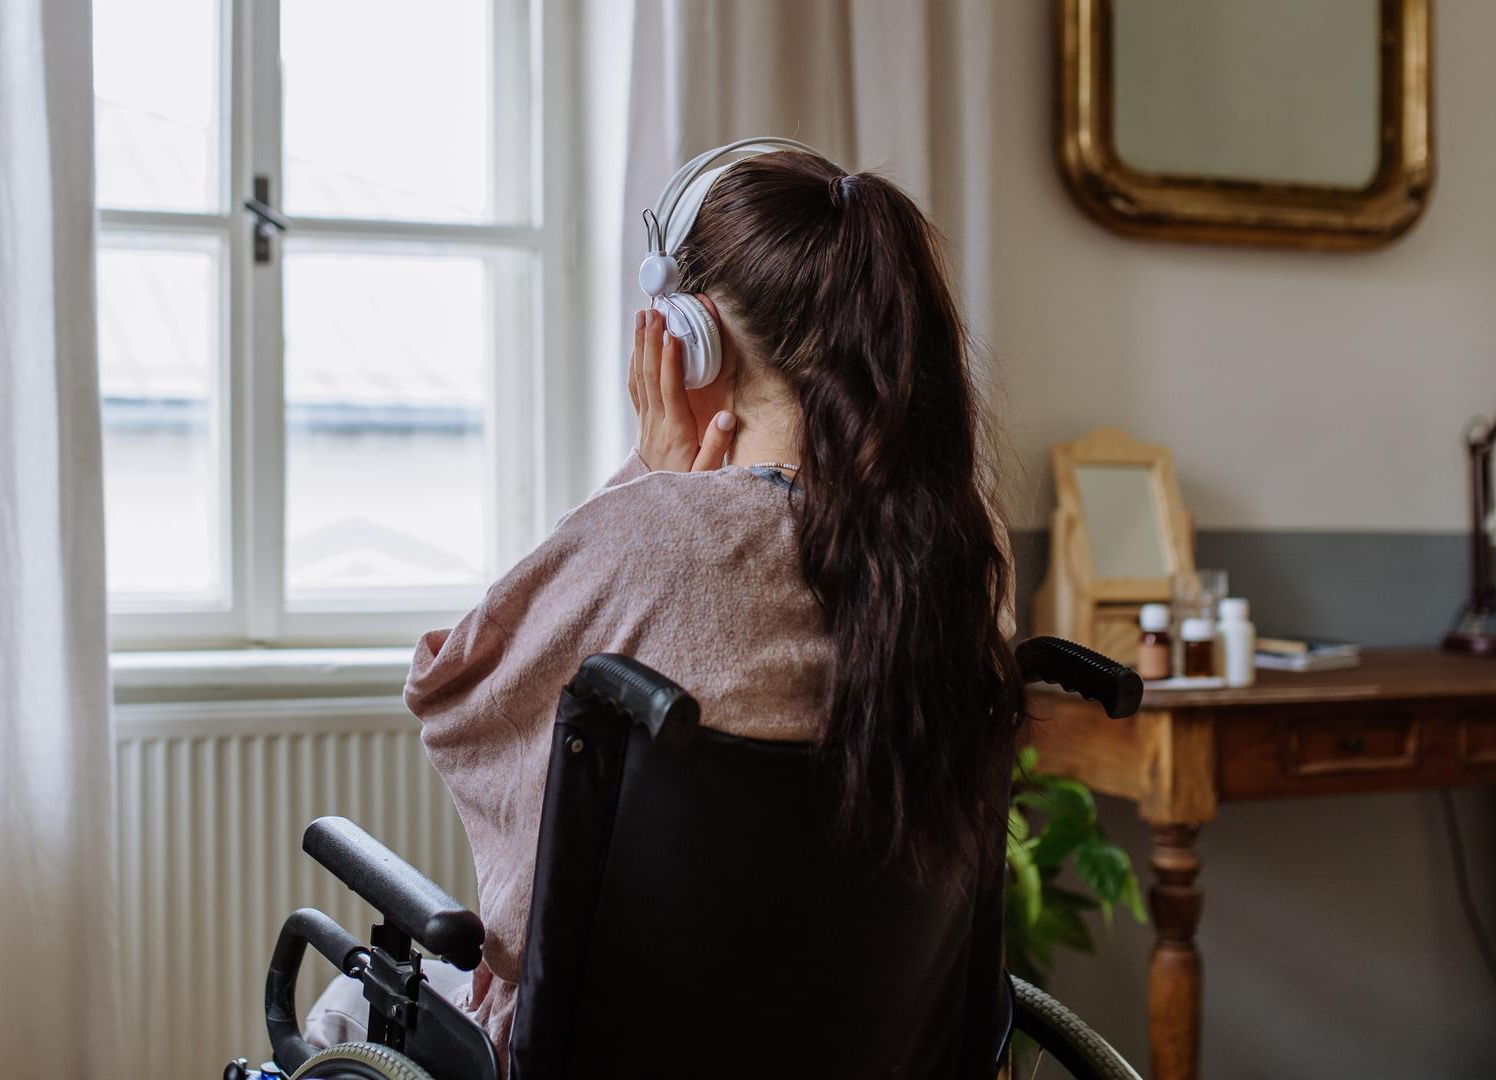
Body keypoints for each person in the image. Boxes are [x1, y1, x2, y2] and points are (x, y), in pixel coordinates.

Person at [305, 147, 1020, 1071]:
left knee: (339, 1005)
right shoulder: (959, 558)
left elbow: (450, 689)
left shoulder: (650, 533)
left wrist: (649, 476)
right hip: (858, 1052)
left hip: (619, 1051)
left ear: (690, 334)